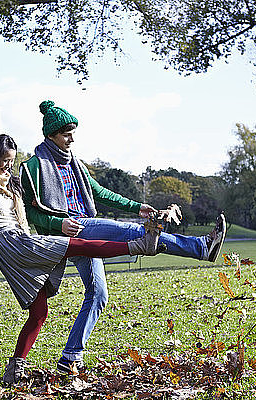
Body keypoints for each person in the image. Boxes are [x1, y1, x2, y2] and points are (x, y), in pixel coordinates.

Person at [0, 134, 164, 385]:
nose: (8, 166)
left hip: (21, 239)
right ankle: (137, 246)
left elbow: (34, 210)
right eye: (4, 161)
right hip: (6, 243)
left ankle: (13, 371)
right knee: (75, 244)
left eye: (11, 161)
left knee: (40, 312)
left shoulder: (13, 183)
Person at [20, 100, 227, 373]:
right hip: (75, 231)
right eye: (66, 133)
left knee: (98, 294)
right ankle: (202, 247)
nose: (72, 138)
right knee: (137, 233)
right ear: (51, 135)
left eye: (73, 132)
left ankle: (70, 357)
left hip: (87, 228)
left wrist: (136, 206)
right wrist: (58, 224)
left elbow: (101, 193)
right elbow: (28, 213)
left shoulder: (75, 165)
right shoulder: (33, 167)